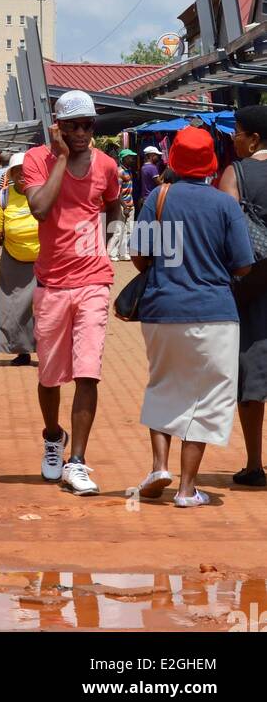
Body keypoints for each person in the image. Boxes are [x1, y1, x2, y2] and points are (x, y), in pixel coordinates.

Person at [132, 127, 253, 506]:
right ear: (211, 165)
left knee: (162, 384)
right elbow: (243, 265)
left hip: (161, 308)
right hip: (214, 312)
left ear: (174, 161)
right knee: (207, 396)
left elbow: (139, 257)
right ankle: (187, 489)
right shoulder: (225, 205)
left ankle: (158, 466)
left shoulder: (158, 197)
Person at [22, 90, 123, 496]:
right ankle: (52, 437)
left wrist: (110, 241)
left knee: (87, 372)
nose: (83, 133)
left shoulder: (108, 166)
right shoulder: (36, 161)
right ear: (58, 127)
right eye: (74, 125)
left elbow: (114, 205)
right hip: (50, 283)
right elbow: (41, 209)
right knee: (49, 376)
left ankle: (77, 461)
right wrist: (62, 158)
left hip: (94, 281)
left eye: (88, 125)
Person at [218, 104, 267, 486]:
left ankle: (254, 464)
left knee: (252, 375)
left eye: (236, 132)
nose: (233, 138)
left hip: (252, 288)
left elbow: (227, 230)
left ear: (253, 139)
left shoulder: (235, 173)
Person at [0, 151, 38, 365]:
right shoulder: (3, 197)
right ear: (11, 174)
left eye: (27, 170)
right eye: (17, 171)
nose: (23, 174)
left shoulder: (43, 192)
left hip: (45, 260)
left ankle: (51, 349)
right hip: (14, 259)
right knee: (14, 307)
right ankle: (21, 350)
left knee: (46, 307)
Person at [108, 149, 137, 261]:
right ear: (123, 158)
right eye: (130, 157)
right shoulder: (119, 172)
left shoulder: (129, 171)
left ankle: (124, 253)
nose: (132, 159)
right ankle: (112, 253)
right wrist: (124, 206)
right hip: (123, 205)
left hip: (130, 204)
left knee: (128, 230)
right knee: (119, 230)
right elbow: (117, 192)